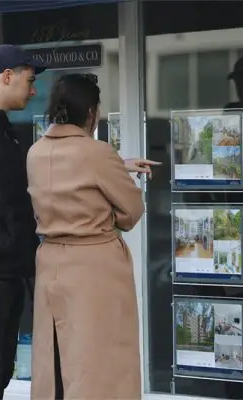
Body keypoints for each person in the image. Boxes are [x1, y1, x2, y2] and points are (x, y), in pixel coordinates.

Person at [26, 73, 154, 399]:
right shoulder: (97, 152)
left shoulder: (35, 152)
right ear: (91, 111)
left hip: (50, 261)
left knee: (56, 359)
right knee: (100, 363)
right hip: (94, 266)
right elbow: (132, 212)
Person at [0, 44, 47, 399]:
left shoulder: (5, 129)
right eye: (30, 80)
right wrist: (3, 242)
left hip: (9, 271)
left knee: (2, 370)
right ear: (7, 76)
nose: (33, 91)